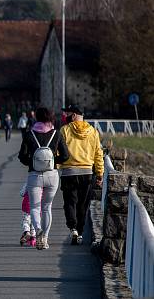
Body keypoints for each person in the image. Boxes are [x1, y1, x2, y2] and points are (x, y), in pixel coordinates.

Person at [18, 107, 69, 250]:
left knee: (35, 207)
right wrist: (52, 161)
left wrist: (33, 163)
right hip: (52, 175)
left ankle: (38, 229)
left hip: (34, 175)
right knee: (47, 208)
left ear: (36, 118)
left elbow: (22, 156)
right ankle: (45, 238)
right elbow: (65, 156)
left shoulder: (29, 135)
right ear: (51, 118)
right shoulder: (56, 134)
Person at [59, 105, 104, 245]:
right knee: (83, 205)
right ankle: (80, 231)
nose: (65, 116)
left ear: (73, 116)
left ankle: (73, 228)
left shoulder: (65, 130)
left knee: (70, 203)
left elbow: (58, 151)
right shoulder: (93, 132)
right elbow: (98, 153)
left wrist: (56, 167)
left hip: (69, 173)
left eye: (67, 113)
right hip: (87, 173)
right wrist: (100, 173)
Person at [19, 183, 36, 247]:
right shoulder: (42, 185)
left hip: (27, 206)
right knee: (34, 223)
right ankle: (33, 238)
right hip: (37, 207)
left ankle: (27, 232)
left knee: (26, 221)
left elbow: (22, 193)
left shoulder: (28, 182)